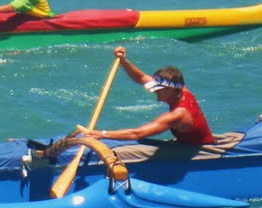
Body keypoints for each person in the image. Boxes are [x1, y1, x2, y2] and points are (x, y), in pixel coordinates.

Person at [80, 47, 215, 146]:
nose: (154, 92)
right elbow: (141, 77)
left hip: (198, 150)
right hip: (190, 142)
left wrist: (102, 134)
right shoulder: (182, 90)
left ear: (171, 89)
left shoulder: (177, 115)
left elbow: (137, 134)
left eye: (159, 90)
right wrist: (123, 61)